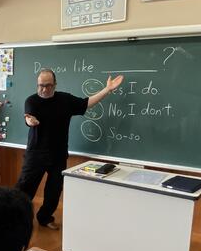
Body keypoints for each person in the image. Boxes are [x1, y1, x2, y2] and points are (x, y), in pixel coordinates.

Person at [15, 69, 123, 229]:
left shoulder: (65, 100)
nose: (44, 89)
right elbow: (28, 117)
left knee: (54, 191)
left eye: (48, 85)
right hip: (35, 155)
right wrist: (30, 121)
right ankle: (15, 219)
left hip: (58, 155)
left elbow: (87, 103)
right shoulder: (32, 100)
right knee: (24, 189)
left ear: (55, 84)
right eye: (40, 85)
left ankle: (45, 218)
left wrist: (107, 89)